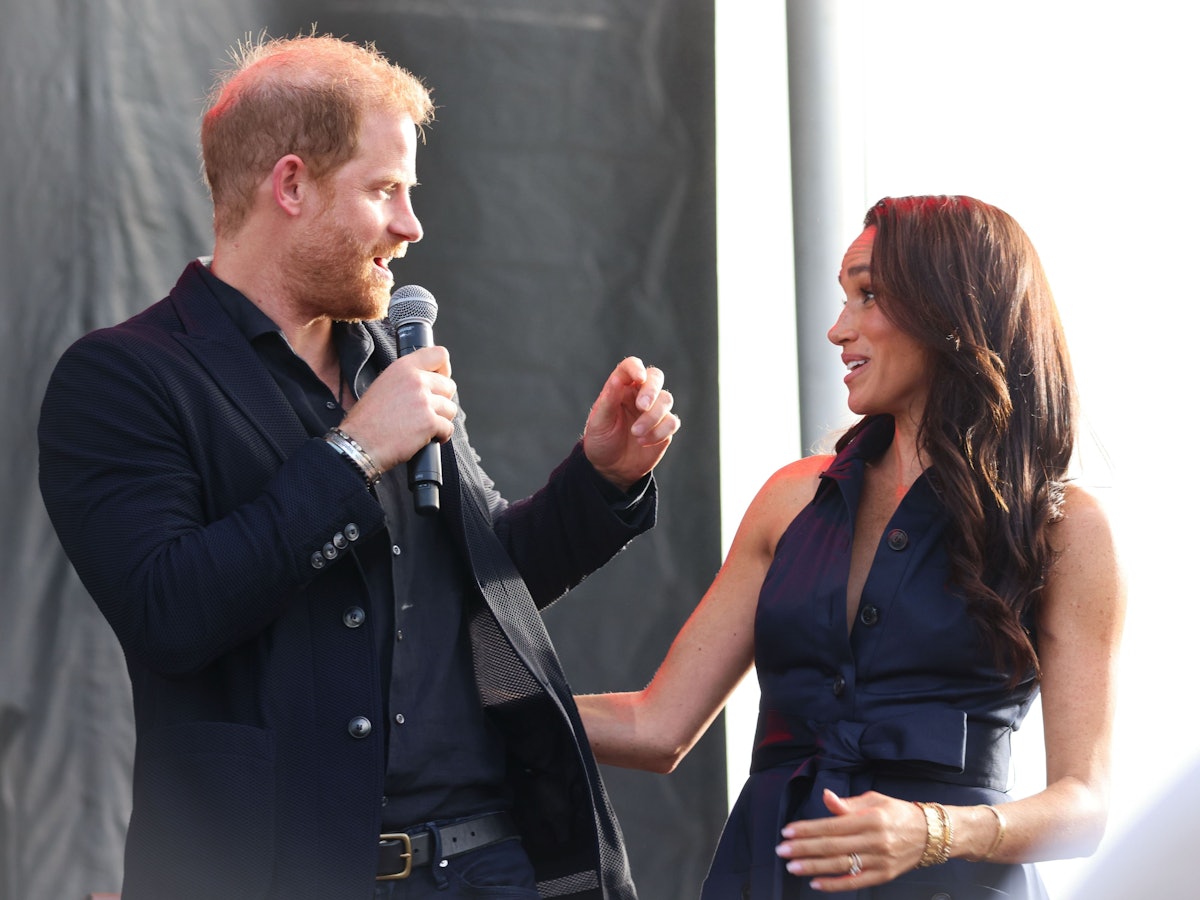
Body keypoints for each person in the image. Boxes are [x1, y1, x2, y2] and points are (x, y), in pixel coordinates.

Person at [37, 33, 679, 900]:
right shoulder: (126, 376)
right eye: (385, 191)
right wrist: (354, 453)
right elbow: (169, 610)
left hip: (490, 863)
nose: (412, 226)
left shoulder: (387, 361)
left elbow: (487, 579)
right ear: (291, 185)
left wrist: (602, 478)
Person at [577, 195, 1125, 898]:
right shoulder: (790, 500)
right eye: (844, 298)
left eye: (868, 296)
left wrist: (934, 832)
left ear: (952, 310)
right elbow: (658, 726)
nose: (839, 329)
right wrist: (479, 703)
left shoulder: (1064, 527)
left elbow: (1085, 806)